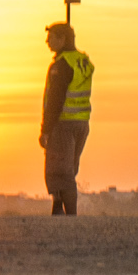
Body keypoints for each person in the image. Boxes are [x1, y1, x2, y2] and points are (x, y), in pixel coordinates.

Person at [39, 21, 96, 215]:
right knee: (69, 168)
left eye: (51, 37)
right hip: (81, 123)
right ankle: (58, 209)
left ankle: (69, 217)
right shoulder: (83, 61)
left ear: (62, 39)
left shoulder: (62, 65)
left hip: (63, 123)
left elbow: (54, 101)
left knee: (60, 172)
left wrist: (45, 130)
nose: (47, 41)